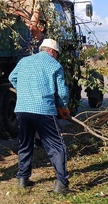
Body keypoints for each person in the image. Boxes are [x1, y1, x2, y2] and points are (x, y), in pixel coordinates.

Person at [8, 38, 72, 194]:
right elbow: (62, 92)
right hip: (44, 110)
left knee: (25, 143)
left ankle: (22, 179)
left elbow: (12, 78)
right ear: (52, 51)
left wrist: (24, 91)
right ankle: (61, 184)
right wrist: (62, 106)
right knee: (56, 146)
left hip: (22, 109)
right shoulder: (55, 65)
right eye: (57, 54)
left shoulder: (24, 61)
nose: (57, 57)